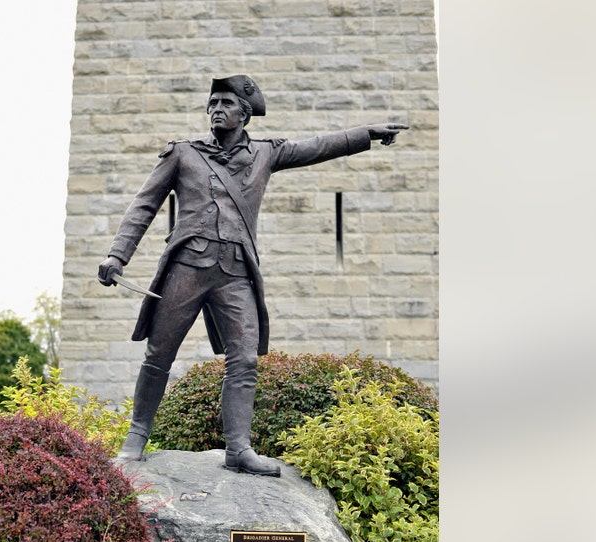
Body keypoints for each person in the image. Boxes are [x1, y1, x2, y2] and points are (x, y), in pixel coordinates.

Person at [98, 75, 407, 476]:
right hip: (186, 268)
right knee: (159, 355)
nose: (217, 110)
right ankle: (136, 437)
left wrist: (365, 134)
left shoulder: (266, 154)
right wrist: (116, 256)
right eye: (212, 104)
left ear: (245, 114)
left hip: (236, 273)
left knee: (244, 360)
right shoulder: (183, 154)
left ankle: (239, 449)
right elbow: (144, 205)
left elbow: (318, 147)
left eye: (226, 103)